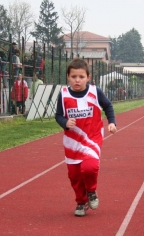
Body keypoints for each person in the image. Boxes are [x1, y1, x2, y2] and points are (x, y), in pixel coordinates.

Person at [55, 58, 117, 217]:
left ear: (88, 77)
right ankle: (81, 202)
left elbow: (108, 106)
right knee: (74, 176)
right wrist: (65, 122)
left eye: (81, 77)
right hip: (72, 143)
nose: (77, 80)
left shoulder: (95, 92)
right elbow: (58, 115)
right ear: (68, 77)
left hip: (92, 138)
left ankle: (91, 191)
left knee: (90, 168)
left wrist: (112, 122)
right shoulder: (63, 95)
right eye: (74, 76)